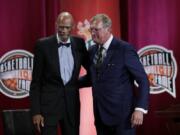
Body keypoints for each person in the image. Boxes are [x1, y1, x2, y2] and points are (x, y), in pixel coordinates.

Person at [81, 14, 150, 135]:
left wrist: (140, 109)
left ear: (108, 29)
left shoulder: (124, 49)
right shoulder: (91, 51)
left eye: (96, 29)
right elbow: (93, 78)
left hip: (123, 118)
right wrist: (68, 83)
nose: (92, 33)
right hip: (100, 116)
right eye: (91, 30)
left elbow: (143, 80)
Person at [30, 12, 89, 135]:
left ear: (72, 27)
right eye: (61, 27)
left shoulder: (79, 44)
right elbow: (36, 81)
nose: (63, 30)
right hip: (48, 107)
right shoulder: (43, 45)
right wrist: (36, 111)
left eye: (67, 27)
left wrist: (76, 84)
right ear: (56, 25)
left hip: (71, 106)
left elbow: (91, 70)